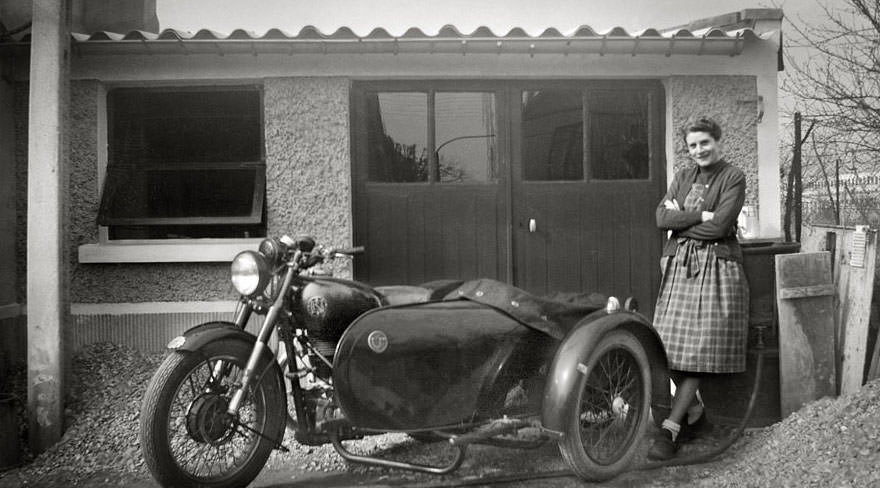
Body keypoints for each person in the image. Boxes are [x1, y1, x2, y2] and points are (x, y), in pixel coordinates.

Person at [649, 117, 749, 460]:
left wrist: (686, 222)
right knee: (667, 347)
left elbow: (721, 226)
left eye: (704, 142)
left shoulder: (733, 176)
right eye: (693, 145)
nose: (699, 150)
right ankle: (697, 415)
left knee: (698, 350)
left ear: (717, 141)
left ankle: (671, 428)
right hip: (679, 267)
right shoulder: (683, 176)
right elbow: (661, 218)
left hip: (718, 269)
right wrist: (701, 218)